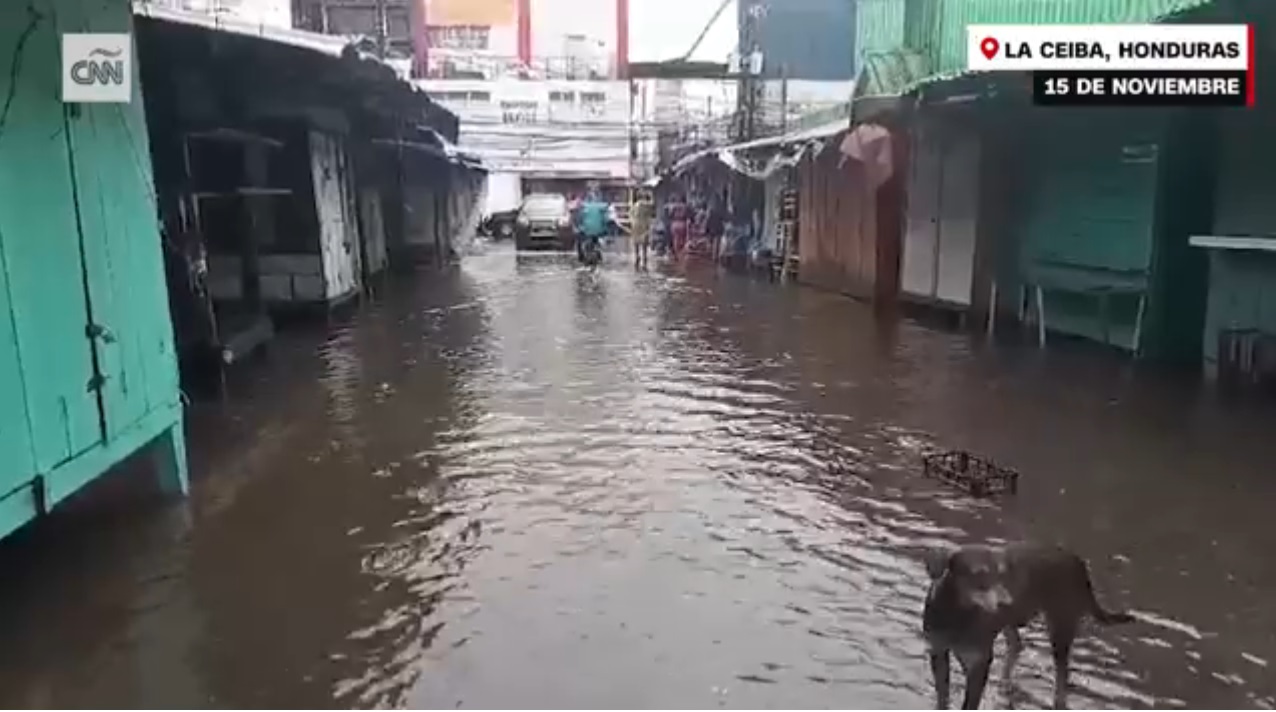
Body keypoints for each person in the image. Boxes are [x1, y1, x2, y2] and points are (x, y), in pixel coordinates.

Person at [575, 188, 609, 262]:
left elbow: (579, 219)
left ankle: (581, 257)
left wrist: (579, 227)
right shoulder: (602, 206)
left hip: (586, 230)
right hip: (599, 230)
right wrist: (605, 229)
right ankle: (598, 255)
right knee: (596, 240)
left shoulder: (584, 206)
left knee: (579, 240)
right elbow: (606, 219)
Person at [629, 191, 654, 268]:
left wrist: (632, 223)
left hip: (635, 224)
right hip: (644, 224)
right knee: (644, 243)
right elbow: (652, 207)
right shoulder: (646, 204)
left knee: (636, 242)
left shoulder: (634, 205)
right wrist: (651, 195)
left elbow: (630, 215)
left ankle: (637, 256)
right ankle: (644, 258)